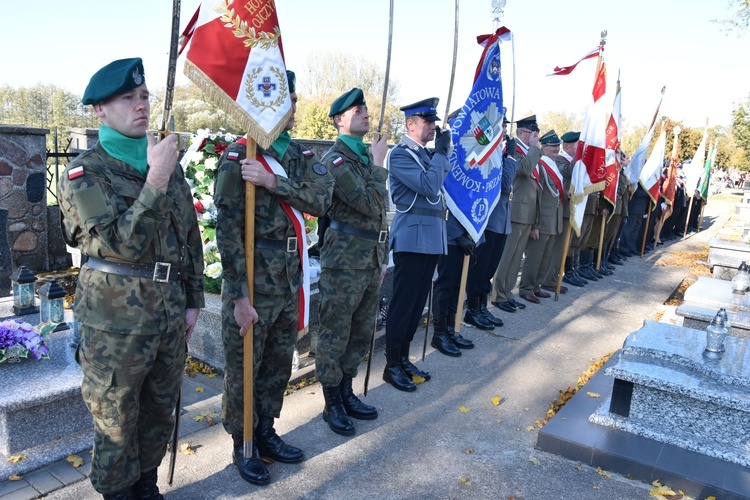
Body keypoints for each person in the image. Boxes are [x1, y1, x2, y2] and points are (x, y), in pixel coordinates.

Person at [58, 57, 205, 500]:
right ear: (99, 110)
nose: (141, 105)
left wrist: (193, 298)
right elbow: (120, 245)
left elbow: (188, 236)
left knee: (160, 411)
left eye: (144, 96)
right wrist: (156, 177)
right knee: (117, 421)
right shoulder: (85, 173)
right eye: (128, 97)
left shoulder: (162, 162)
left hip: (168, 313)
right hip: (115, 322)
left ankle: (147, 486)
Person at [213, 70, 334, 485]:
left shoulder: (298, 156)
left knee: (279, 362)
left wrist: (273, 181)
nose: (293, 107)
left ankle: (265, 431)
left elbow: (320, 199)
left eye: (295, 100)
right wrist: (238, 297)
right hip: (255, 279)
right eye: (286, 100)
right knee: (246, 366)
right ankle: (242, 444)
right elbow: (227, 233)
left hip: (289, 280)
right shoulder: (239, 155)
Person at [315, 88, 389, 436]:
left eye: (365, 108)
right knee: (334, 334)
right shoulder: (335, 160)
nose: (365, 113)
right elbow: (371, 204)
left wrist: (383, 256)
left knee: (360, 334)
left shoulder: (364, 158)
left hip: (370, 260)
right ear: (339, 120)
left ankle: (346, 390)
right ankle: (331, 402)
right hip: (343, 263)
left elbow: (381, 217)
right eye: (356, 110)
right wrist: (378, 165)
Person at [384, 97, 451, 392]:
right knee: (403, 304)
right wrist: (439, 156)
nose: (433, 127)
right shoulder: (400, 155)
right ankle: (391, 364)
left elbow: (439, 182)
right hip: (412, 237)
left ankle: (403, 358)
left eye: (434, 121)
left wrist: (439, 155)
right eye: (427, 121)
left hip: (431, 237)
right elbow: (428, 186)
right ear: (411, 124)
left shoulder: (425, 155)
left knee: (416, 307)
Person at [465, 117, 516, 328]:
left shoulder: (498, 153)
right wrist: (511, 158)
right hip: (489, 220)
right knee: (480, 270)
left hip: (501, 220)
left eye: (505, 126)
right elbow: (505, 185)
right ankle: (473, 310)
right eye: (502, 126)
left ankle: (482, 307)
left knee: (489, 270)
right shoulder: (490, 154)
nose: (504, 130)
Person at [492, 115, 542, 313]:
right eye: (532, 133)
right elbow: (524, 169)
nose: (535, 137)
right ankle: (498, 294)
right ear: (522, 132)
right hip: (514, 210)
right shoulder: (516, 150)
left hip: (526, 213)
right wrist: (535, 148)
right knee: (507, 256)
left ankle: (507, 293)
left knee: (516, 258)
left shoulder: (527, 150)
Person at [518, 130, 563, 303]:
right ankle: (526, 288)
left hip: (553, 220)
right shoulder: (542, 165)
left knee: (545, 257)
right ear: (543, 147)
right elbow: (537, 196)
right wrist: (536, 223)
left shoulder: (553, 165)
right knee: (534, 257)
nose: (556, 149)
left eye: (557, 146)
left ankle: (537, 286)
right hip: (543, 219)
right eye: (552, 146)